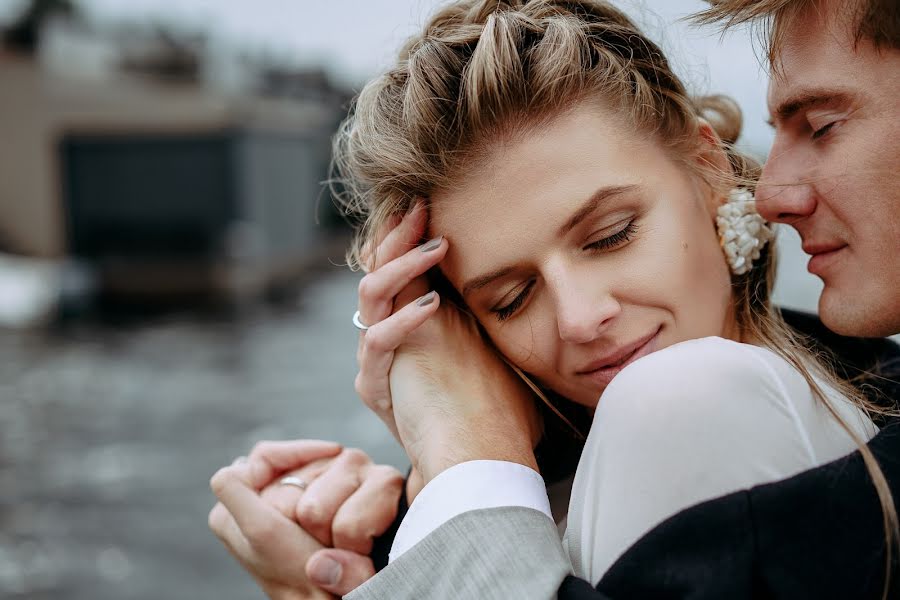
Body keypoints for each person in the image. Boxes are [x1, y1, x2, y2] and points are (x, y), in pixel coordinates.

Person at [209, 0, 900, 597]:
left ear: (707, 167)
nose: (580, 317)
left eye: (610, 235)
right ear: (462, 326)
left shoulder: (689, 391)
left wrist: (463, 469)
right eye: (510, 299)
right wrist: (404, 524)